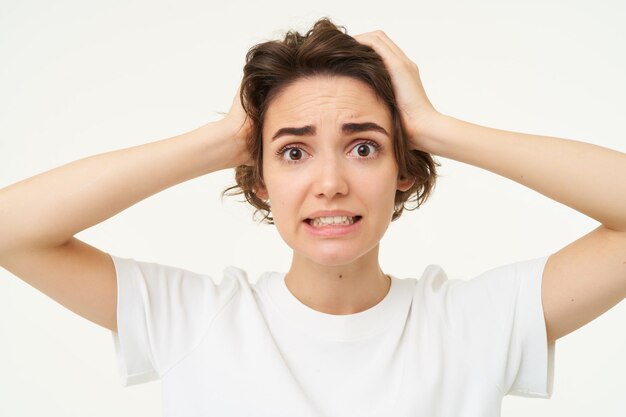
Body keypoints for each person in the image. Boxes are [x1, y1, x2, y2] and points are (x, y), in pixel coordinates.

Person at [0, 17, 624, 417]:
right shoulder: (195, 320)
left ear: (404, 169)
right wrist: (223, 139)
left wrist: (437, 129)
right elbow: (11, 228)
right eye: (294, 152)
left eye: (364, 147)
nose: (329, 183)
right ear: (260, 178)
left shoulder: (474, 324)